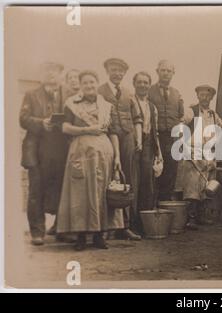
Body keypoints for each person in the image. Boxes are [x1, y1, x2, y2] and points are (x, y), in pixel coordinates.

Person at [56, 70, 125, 251]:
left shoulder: (107, 105)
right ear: (80, 85)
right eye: (85, 83)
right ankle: (80, 235)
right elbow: (64, 127)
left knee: (101, 192)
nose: (89, 86)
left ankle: (99, 235)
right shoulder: (72, 104)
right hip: (80, 152)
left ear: (97, 83)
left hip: (104, 153)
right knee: (80, 193)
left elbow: (114, 132)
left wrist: (117, 157)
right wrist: (86, 130)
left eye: (92, 82)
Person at [19, 62, 68, 246]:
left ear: (60, 74)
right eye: (46, 70)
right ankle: (37, 232)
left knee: (63, 190)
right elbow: (23, 119)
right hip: (37, 150)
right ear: (41, 74)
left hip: (62, 150)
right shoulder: (31, 95)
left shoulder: (68, 94)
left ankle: (62, 229)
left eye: (55, 70)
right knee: (36, 191)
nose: (51, 74)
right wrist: (41, 123)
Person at [98, 58, 142, 240]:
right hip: (107, 137)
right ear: (107, 70)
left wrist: (138, 138)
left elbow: (137, 117)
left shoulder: (129, 92)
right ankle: (107, 225)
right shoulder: (100, 91)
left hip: (128, 138)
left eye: (120, 71)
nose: (117, 73)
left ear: (124, 73)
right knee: (109, 178)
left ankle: (125, 226)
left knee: (129, 180)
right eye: (113, 70)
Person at [182, 84, 222, 230]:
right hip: (194, 152)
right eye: (202, 95)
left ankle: (202, 216)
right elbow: (180, 127)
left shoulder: (213, 114)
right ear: (198, 96)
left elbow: (221, 127)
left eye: (208, 95)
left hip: (208, 152)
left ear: (211, 97)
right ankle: (190, 218)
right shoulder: (191, 111)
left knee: (206, 185)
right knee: (193, 185)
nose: (205, 98)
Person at [131, 71, 163, 230]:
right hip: (133, 144)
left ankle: (145, 223)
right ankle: (132, 223)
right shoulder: (130, 101)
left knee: (148, 182)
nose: (142, 85)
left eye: (145, 82)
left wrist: (159, 153)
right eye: (139, 82)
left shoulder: (152, 107)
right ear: (134, 84)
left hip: (149, 146)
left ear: (149, 86)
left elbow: (155, 131)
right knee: (133, 182)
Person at [148, 60, 184, 201]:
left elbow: (181, 116)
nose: (166, 73)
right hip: (155, 137)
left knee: (171, 172)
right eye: (163, 70)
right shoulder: (149, 91)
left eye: (169, 71)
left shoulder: (176, 93)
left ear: (173, 73)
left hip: (172, 138)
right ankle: (153, 206)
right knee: (155, 172)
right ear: (157, 71)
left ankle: (166, 206)